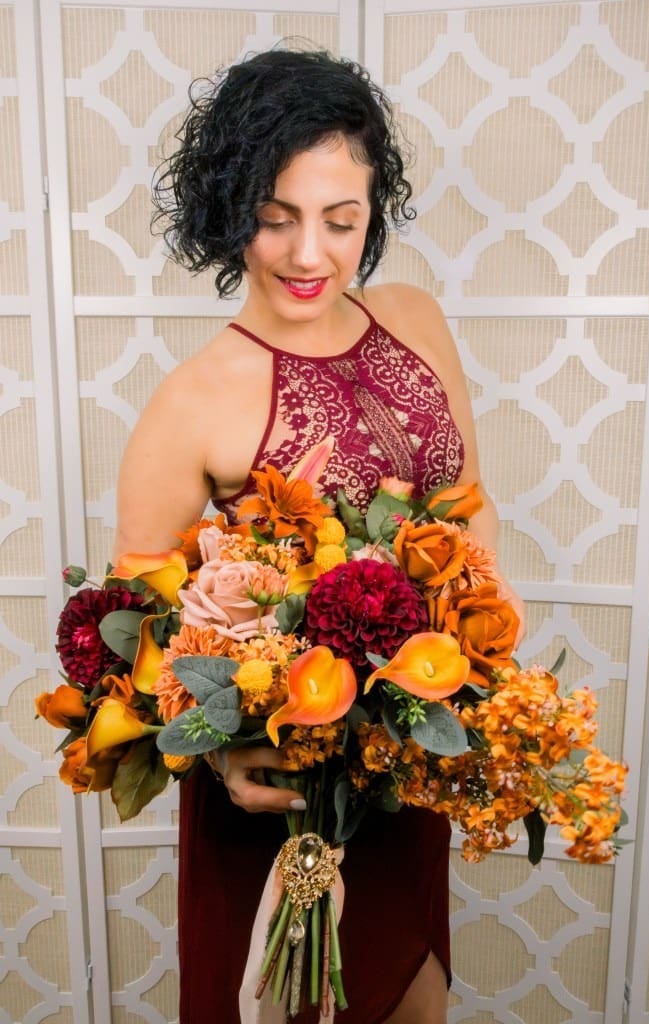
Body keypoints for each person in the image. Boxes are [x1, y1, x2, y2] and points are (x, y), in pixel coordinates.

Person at [115, 48, 524, 1024]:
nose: (310, 254)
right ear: (228, 210)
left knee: (412, 1001)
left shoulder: (415, 319)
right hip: (279, 797)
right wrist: (219, 755)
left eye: (341, 220)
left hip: (406, 761)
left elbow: (468, 503)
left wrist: (481, 667)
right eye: (275, 217)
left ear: (372, 209)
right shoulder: (188, 405)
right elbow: (130, 636)